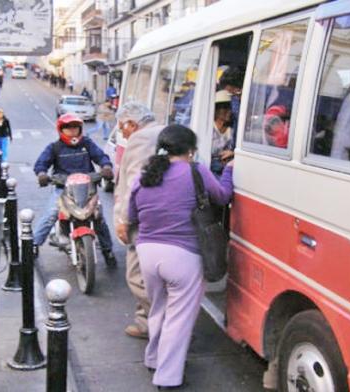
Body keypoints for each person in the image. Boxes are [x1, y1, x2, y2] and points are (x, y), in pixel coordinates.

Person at [125, 125, 233, 389]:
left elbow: (132, 216)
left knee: (158, 307)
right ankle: (167, 377)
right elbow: (223, 195)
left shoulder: (144, 175)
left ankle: (153, 357)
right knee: (179, 318)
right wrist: (230, 170)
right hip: (183, 256)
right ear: (191, 150)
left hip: (147, 253)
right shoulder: (195, 171)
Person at [33, 113, 116, 265]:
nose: (72, 132)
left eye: (75, 128)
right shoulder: (55, 147)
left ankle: (108, 250)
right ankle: (33, 245)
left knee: (98, 217)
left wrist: (106, 167)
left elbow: (101, 157)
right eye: (68, 128)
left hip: (87, 188)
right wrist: (42, 174)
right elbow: (41, 164)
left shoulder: (87, 144)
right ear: (61, 130)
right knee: (51, 213)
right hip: (63, 189)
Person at [113, 102, 163, 339]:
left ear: (132, 123)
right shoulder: (164, 131)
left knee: (135, 277)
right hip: (164, 217)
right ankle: (145, 322)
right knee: (150, 275)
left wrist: (124, 219)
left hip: (143, 220)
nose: (121, 132)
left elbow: (135, 183)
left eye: (122, 126)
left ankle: (165, 322)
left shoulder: (141, 138)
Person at [219, 66, 244, 149]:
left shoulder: (256, 103)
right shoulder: (234, 101)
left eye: (236, 92)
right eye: (230, 93)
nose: (234, 95)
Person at [210, 90, 234, 176]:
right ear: (216, 110)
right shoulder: (209, 128)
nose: (229, 111)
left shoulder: (230, 131)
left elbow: (230, 151)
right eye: (225, 108)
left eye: (229, 108)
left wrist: (231, 153)